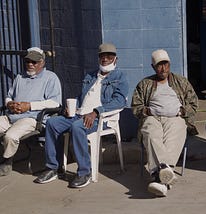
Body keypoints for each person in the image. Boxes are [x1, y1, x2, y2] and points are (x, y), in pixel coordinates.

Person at [34, 43, 129, 188]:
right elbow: (82, 96)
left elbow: (120, 101)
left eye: (109, 57)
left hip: (101, 117)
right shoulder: (90, 75)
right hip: (79, 114)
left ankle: (84, 172)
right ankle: (54, 168)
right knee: (52, 123)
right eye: (102, 57)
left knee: (77, 127)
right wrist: (71, 107)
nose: (105, 60)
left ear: (115, 59)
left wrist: (96, 111)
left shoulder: (120, 77)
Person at [131, 49, 198, 197]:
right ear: (153, 67)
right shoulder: (145, 84)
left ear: (169, 64)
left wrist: (182, 112)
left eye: (165, 64)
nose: (163, 68)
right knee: (150, 132)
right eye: (159, 65)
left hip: (175, 117)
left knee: (178, 130)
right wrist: (147, 111)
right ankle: (165, 173)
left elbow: (193, 103)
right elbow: (135, 107)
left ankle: (158, 178)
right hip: (152, 117)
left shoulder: (181, 82)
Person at [0, 47, 62, 176]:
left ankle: (7, 160)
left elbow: (55, 103)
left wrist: (29, 106)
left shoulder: (51, 78)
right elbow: (9, 95)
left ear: (42, 63)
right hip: (12, 115)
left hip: (32, 118)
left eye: (34, 62)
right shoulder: (19, 77)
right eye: (28, 61)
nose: (30, 65)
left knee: (10, 136)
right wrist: (9, 103)